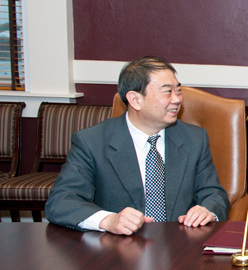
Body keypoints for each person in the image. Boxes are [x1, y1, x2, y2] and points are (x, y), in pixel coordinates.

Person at [46, 56, 229, 234]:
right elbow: (61, 201)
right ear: (135, 100)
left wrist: (207, 210)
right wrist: (109, 220)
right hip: (117, 252)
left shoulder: (194, 139)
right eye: (167, 91)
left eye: (178, 90)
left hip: (180, 247)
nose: (177, 99)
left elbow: (213, 193)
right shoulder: (92, 142)